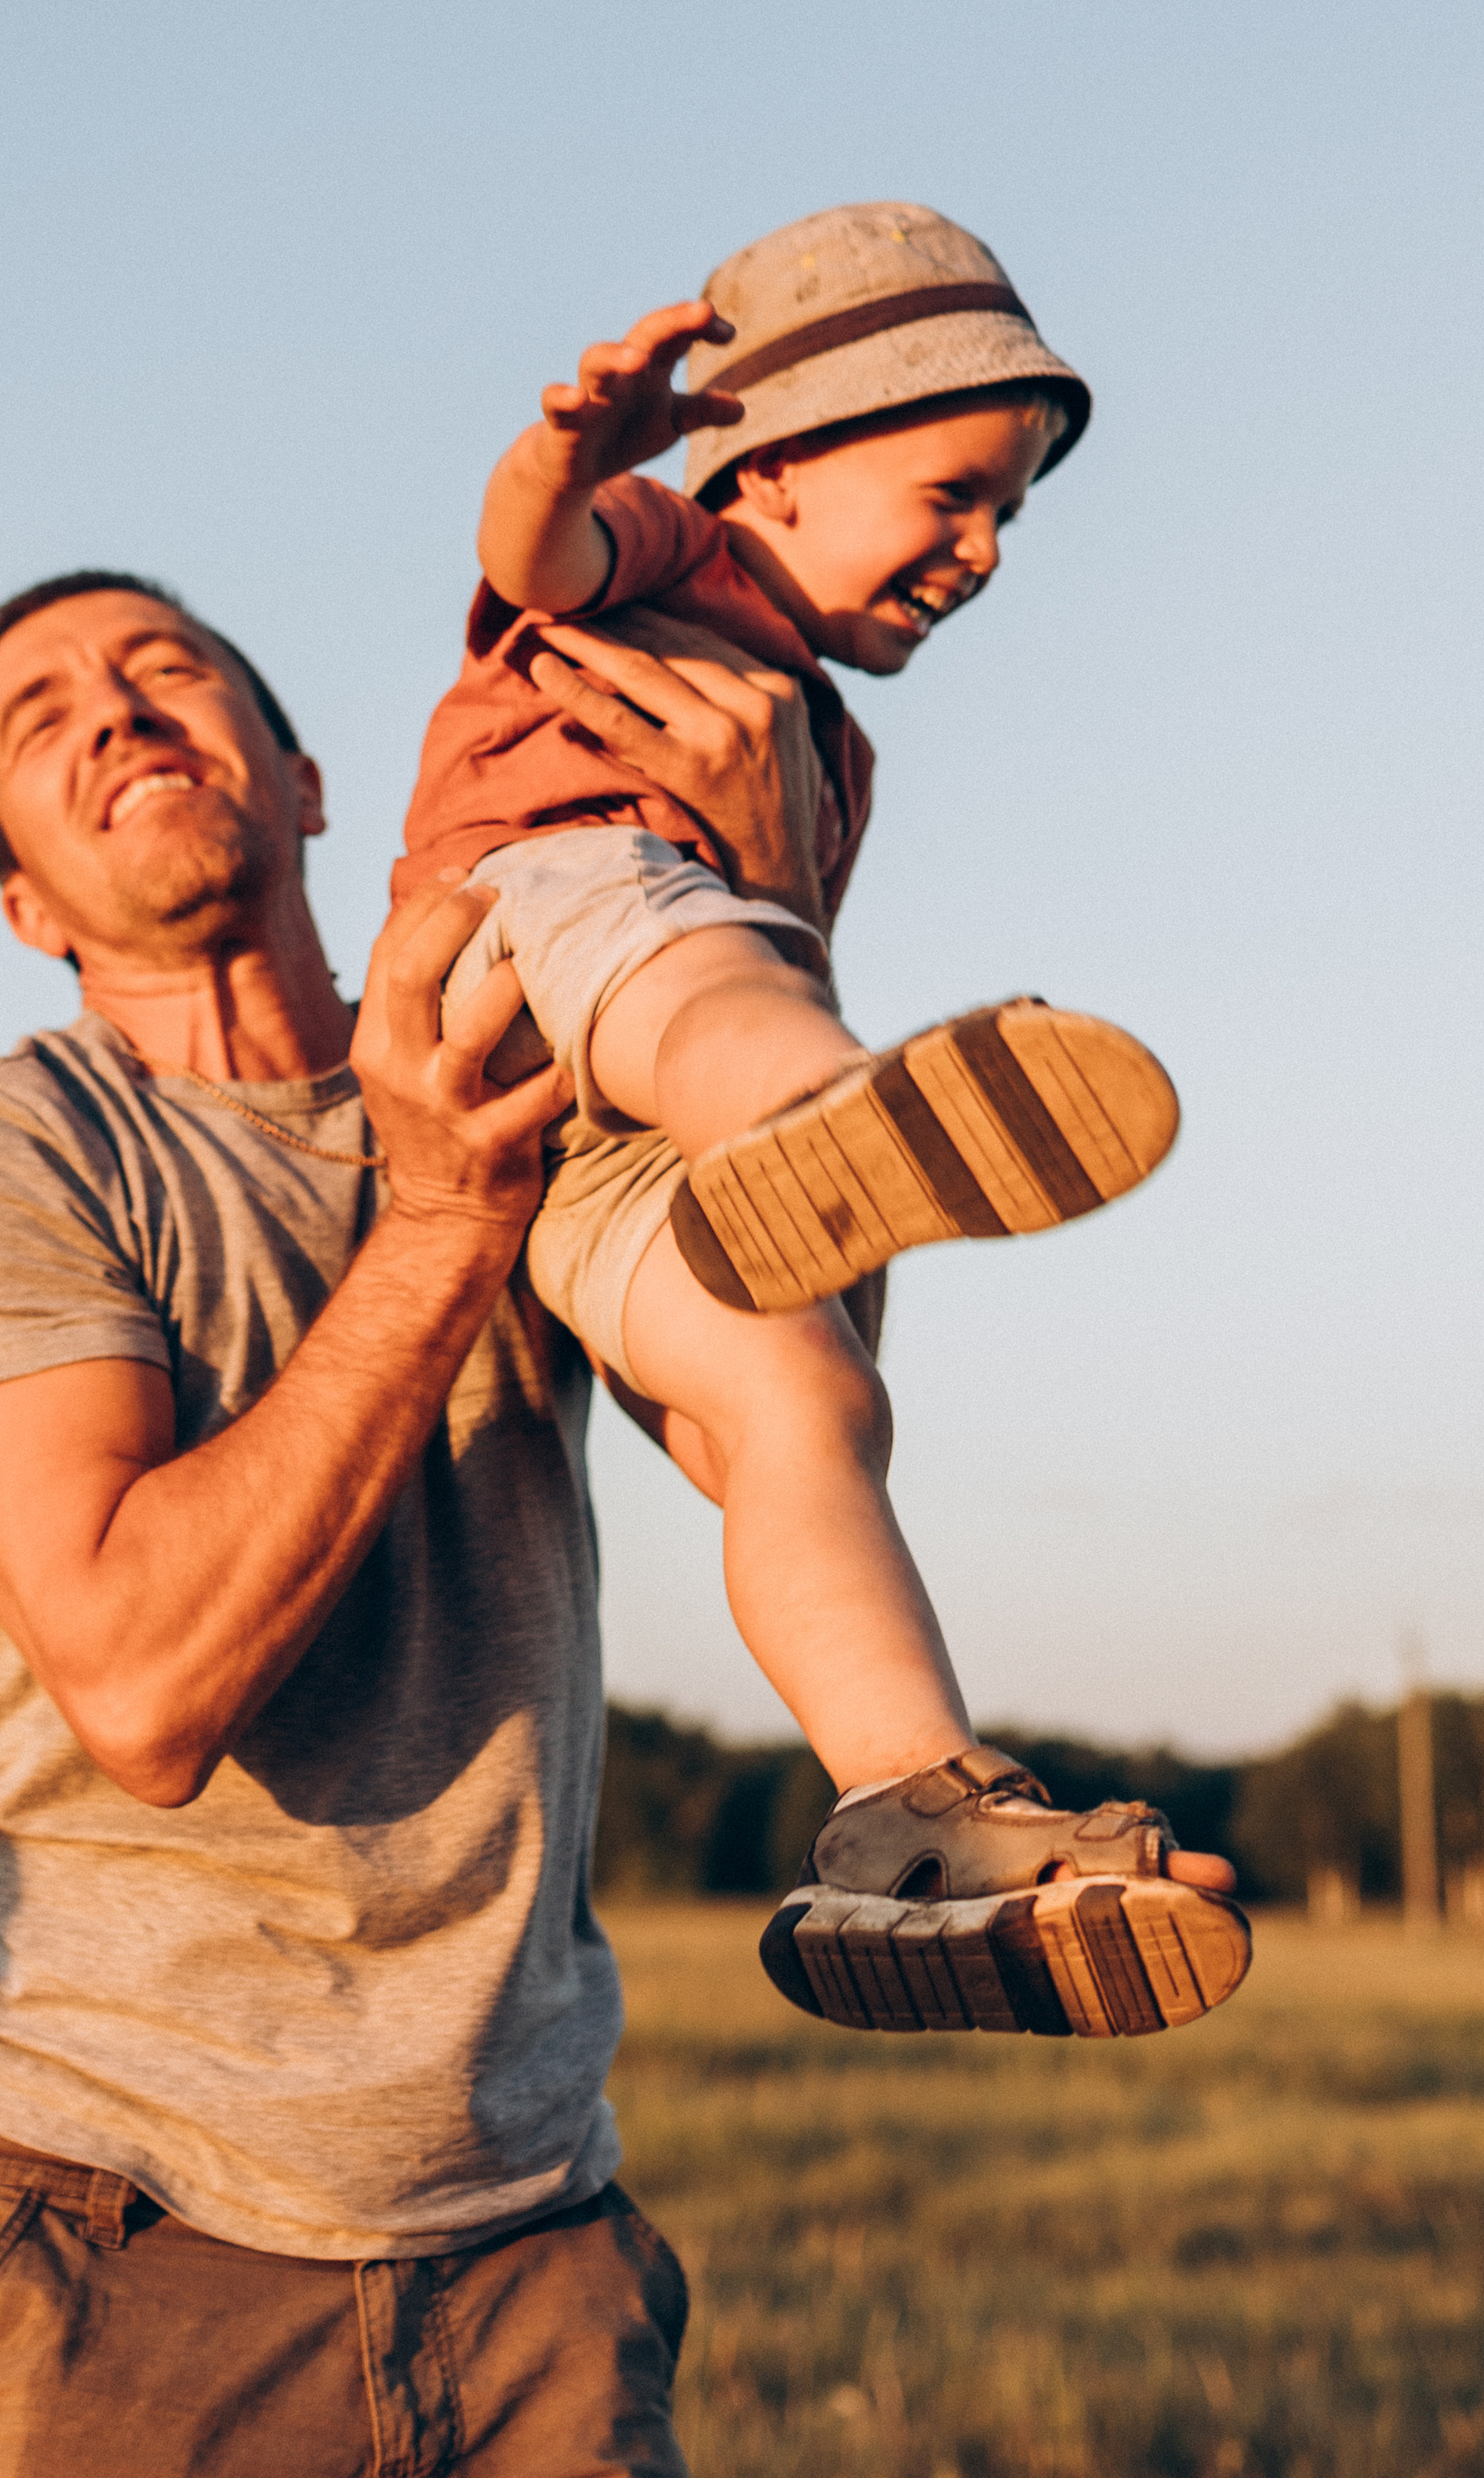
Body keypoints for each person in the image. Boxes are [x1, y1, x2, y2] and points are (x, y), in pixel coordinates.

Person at [0, 560, 836, 2476]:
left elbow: (778, 1407)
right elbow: (139, 1685)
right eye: (42, 721)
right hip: (103, 2225)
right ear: (25, 903)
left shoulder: (532, 1066)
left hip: (532, 2231)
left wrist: (771, 929)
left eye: (164, 673)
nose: (117, 713)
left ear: (304, 780)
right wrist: (445, 1219)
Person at [399, 202, 1249, 2042]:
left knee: (803, 1408)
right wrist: (567, 449)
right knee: (705, 974)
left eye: (1007, 514)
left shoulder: (824, 747)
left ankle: (905, 1812)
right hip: (543, 944)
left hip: (584, 1168)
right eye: (950, 493)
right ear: (774, 466)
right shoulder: (674, 551)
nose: (984, 550)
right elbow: (526, 551)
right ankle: (827, 1115)